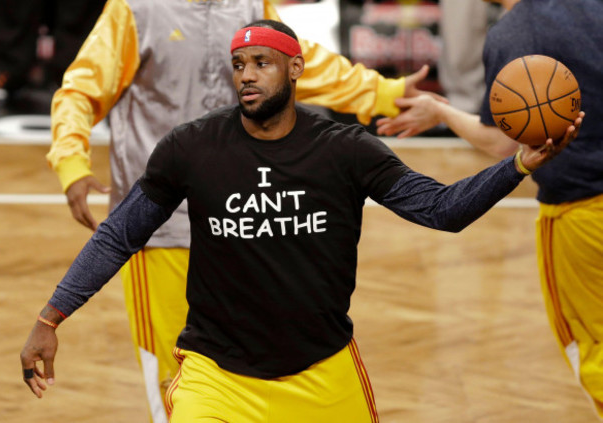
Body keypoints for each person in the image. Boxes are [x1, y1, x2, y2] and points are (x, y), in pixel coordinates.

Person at [21, 19, 579, 422]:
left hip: (324, 373)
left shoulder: (346, 150)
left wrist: (519, 165)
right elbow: (121, 232)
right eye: (238, 65)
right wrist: (50, 318)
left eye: (261, 62)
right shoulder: (191, 149)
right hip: (219, 380)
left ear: (295, 68)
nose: (246, 76)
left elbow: (442, 210)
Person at [45, 0, 444, 420]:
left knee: (251, 369)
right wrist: (72, 162)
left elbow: (302, 59)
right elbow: (81, 88)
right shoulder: (136, 9)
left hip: (244, 220)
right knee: (173, 379)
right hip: (163, 229)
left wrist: (382, 92)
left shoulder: (250, 5)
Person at [375, 0, 603, 417]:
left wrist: (439, 110)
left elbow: (502, 144)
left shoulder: (514, 34)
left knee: (594, 349)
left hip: (581, 213)